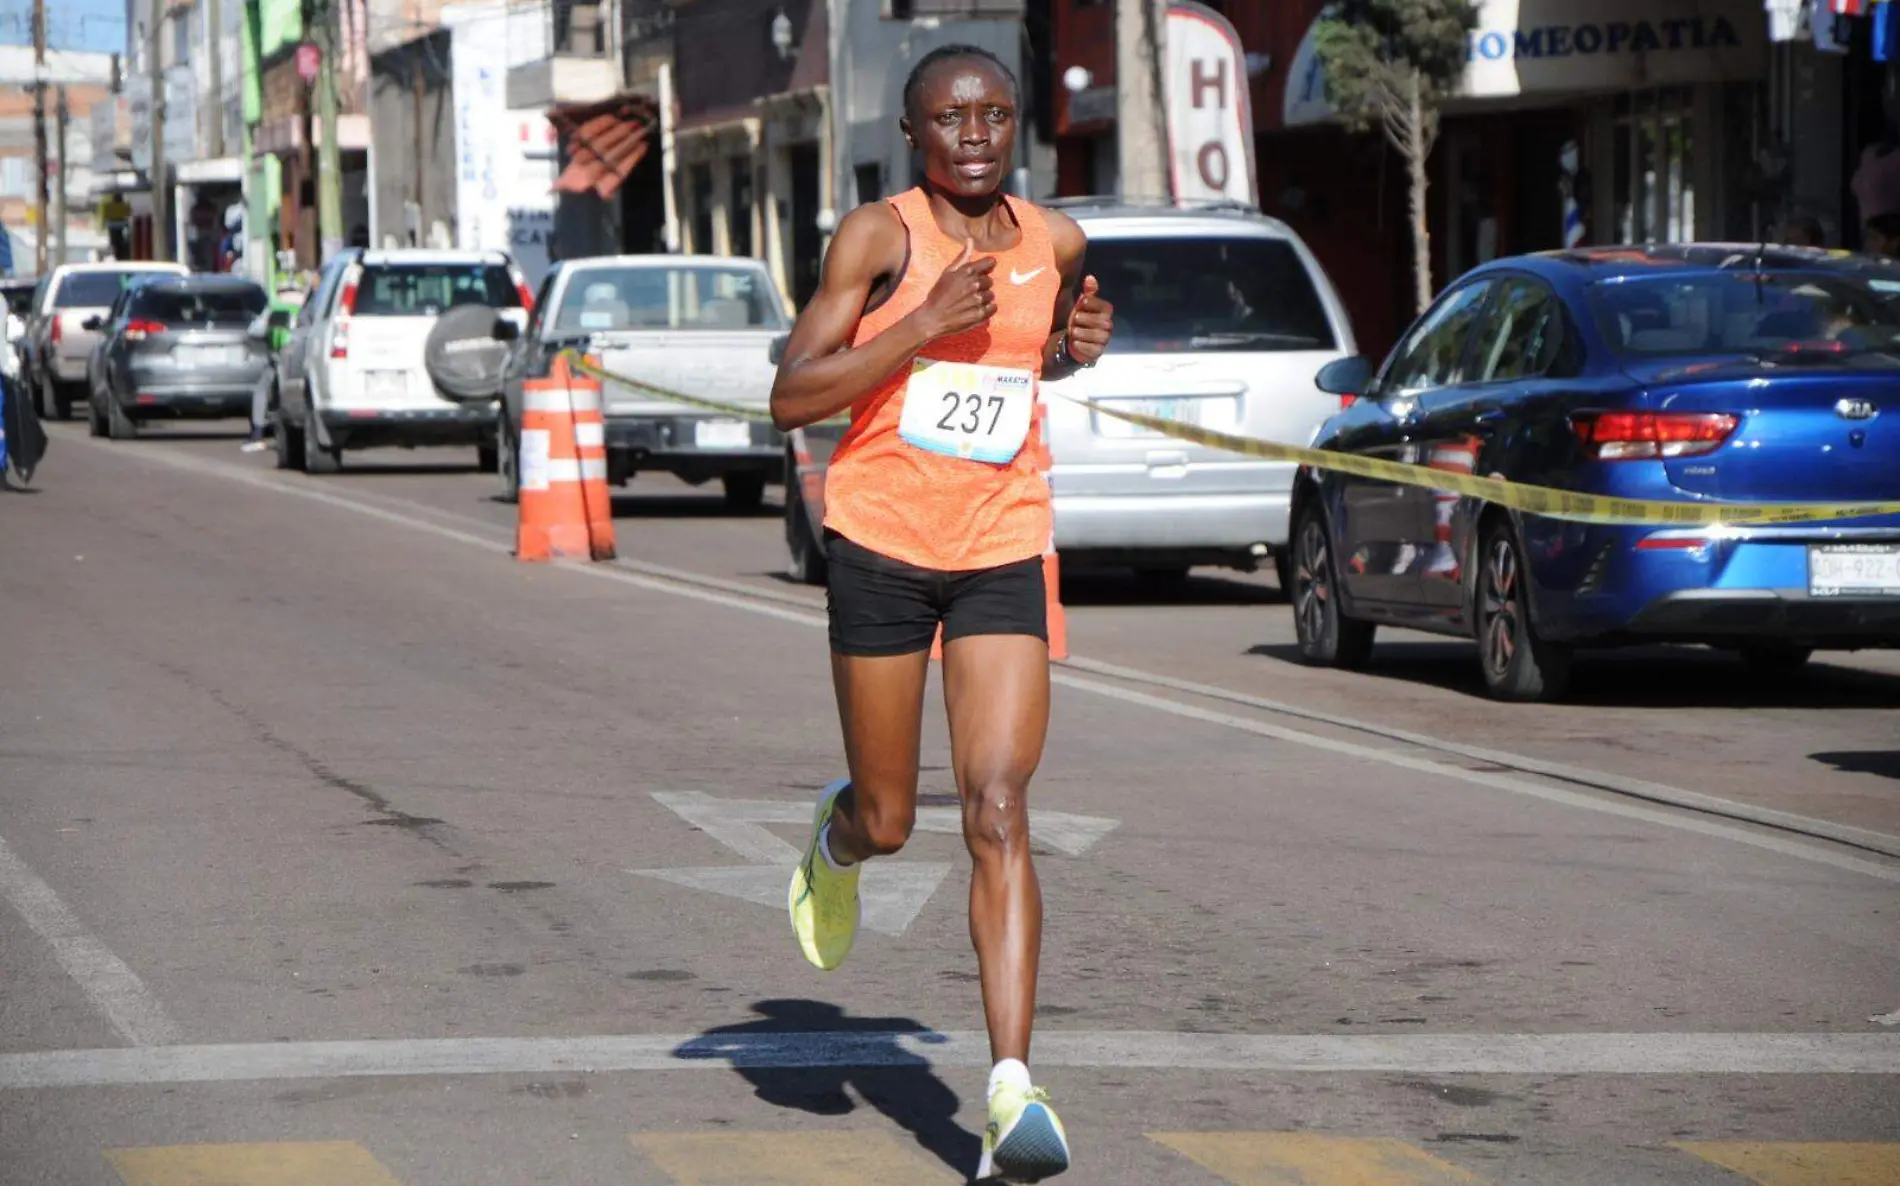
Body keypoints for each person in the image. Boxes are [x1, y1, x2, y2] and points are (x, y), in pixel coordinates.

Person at [769, 43, 1113, 1184]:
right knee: (892, 815)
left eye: (995, 115)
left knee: (1000, 806)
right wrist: (918, 325)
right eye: (951, 117)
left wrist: (1072, 352)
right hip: (880, 544)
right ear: (914, 133)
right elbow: (791, 394)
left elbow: (1040, 353)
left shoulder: (1053, 239)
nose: (975, 133)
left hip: (1002, 544)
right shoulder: (880, 238)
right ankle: (837, 839)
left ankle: (1013, 1089)